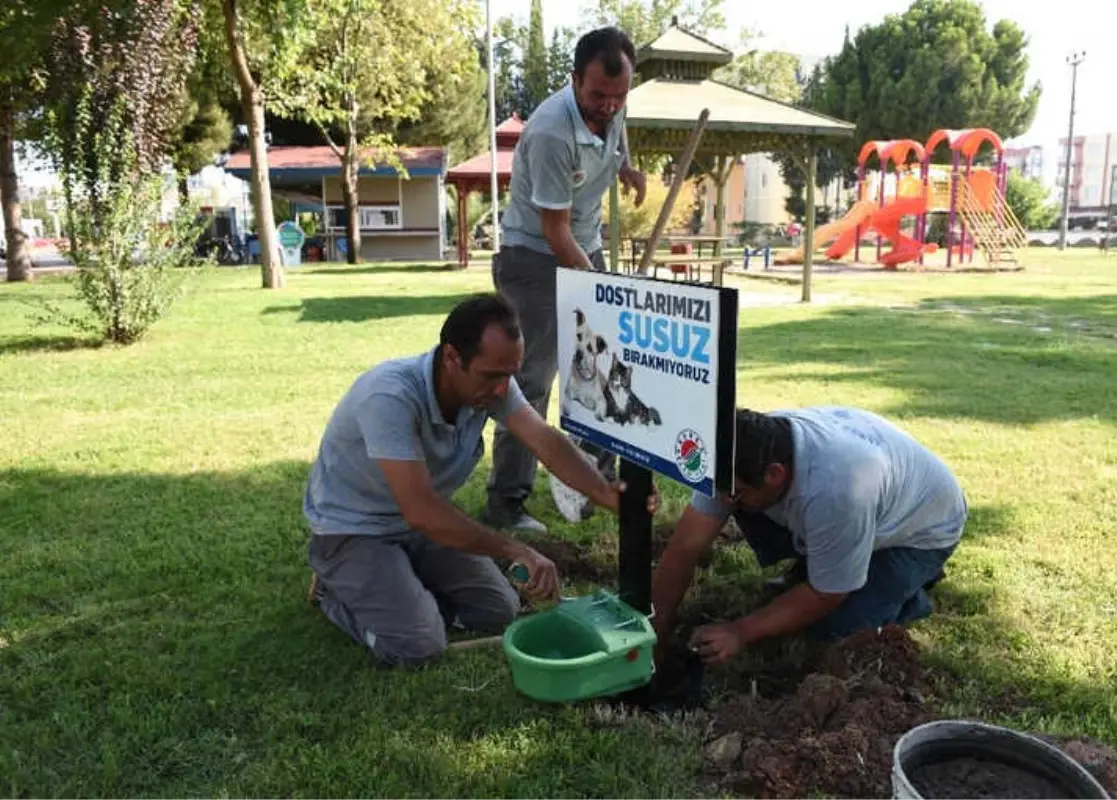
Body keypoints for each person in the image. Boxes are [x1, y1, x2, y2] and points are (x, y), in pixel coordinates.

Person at [302, 294, 658, 666]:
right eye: (492, 375)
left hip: (417, 530)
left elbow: (544, 440)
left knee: (498, 610)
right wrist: (515, 550)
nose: (503, 389)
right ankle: (332, 589)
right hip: (354, 531)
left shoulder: (491, 383)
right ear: (452, 357)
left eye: (510, 374)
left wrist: (604, 492)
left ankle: (402, 592)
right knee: (418, 647)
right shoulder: (389, 396)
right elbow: (423, 511)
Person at [484, 26, 648, 533]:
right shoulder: (552, 131)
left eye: (618, 96)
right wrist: (598, 285)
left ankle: (598, 477)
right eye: (598, 95)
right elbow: (554, 230)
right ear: (575, 79)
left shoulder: (613, 106)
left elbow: (612, 141)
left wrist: (628, 170)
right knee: (529, 380)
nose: (609, 105)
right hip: (532, 260)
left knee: (604, 364)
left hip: (582, 242)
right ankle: (506, 503)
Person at [651, 406, 968, 665]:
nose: (723, 502)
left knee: (833, 630)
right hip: (863, 506)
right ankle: (837, 560)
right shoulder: (735, 460)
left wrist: (739, 632)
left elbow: (828, 593)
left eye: (734, 494)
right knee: (750, 508)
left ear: (774, 474)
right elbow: (684, 548)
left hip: (921, 532)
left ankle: (909, 591)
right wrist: (655, 629)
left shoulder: (838, 490)